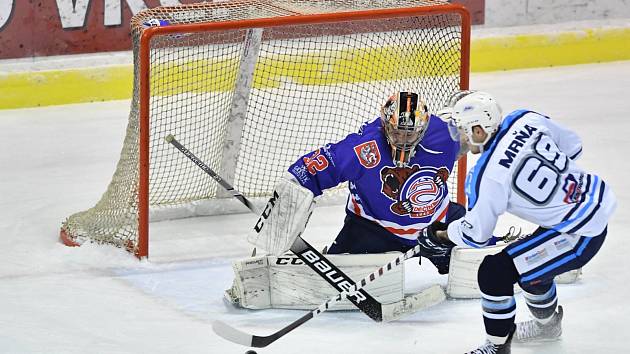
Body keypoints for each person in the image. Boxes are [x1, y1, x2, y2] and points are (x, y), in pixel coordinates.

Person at [419, 91, 617, 353]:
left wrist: (440, 236)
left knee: (494, 272)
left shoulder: (486, 177)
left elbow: (475, 235)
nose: (461, 138)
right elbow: (574, 146)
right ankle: (548, 327)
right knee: (531, 269)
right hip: (591, 201)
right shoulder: (526, 119)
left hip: (578, 234)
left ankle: (497, 346)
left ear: (479, 131)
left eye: (463, 131)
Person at [285, 91, 466, 274]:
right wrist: (293, 183)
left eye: (409, 134)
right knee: (331, 282)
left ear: (423, 129)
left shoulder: (447, 135)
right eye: (396, 133)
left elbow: (478, 134)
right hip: (373, 229)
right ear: (385, 126)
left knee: (473, 268)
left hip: (434, 228)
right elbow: (320, 165)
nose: (402, 141)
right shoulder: (365, 148)